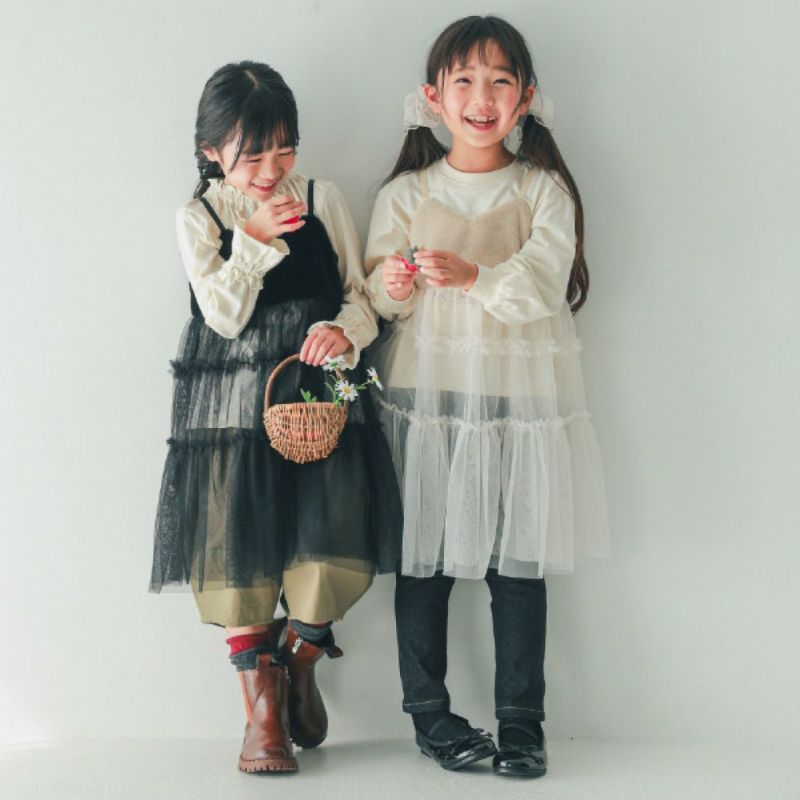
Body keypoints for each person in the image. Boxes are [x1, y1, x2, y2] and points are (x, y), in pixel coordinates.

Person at [363, 16, 610, 779]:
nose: (482, 97)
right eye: (464, 81)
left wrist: (472, 275)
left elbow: (542, 283)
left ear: (525, 97)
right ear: (433, 97)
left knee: (517, 562)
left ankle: (522, 723)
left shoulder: (542, 190)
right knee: (425, 560)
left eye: (500, 81)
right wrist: (394, 282)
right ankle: (430, 715)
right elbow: (376, 296)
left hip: (517, 399)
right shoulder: (407, 192)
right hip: (426, 395)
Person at [150, 61, 401, 775]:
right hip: (229, 405)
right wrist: (255, 240)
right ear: (211, 151)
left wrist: (345, 332)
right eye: (251, 154)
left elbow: (361, 295)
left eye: (283, 149)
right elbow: (223, 318)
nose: (270, 170)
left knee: (331, 539)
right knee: (238, 547)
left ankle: (300, 654)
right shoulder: (199, 217)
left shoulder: (322, 197)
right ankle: (262, 709)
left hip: (321, 394)